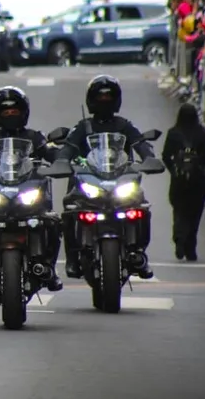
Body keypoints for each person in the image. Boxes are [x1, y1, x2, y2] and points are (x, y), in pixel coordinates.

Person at [0, 87, 63, 292]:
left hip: (27, 193)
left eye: (14, 112)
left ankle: (49, 266)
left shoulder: (35, 137)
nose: (10, 116)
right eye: (5, 112)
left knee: (53, 222)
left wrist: (61, 161)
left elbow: (52, 154)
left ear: (24, 112)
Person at [56, 75, 157, 279]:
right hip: (90, 180)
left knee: (141, 207)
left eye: (109, 97)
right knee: (69, 209)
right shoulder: (83, 127)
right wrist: (62, 161)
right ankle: (73, 258)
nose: (104, 101)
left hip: (120, 180)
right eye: (100, 97)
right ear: (91, 99)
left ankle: (139, 252)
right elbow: (68, 148)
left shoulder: (125, 125)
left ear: (117, 100)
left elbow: (141, 144)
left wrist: (149, 158)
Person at [161, 103, 205, 261]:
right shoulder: (202, 133)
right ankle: (191, 248)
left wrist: (174, 171)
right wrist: (199, 167)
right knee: (195, 215)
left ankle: (179, 238)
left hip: (178, 181)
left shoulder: (173, 133)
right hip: (198, 181)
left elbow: (166, 155)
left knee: (180, 212)